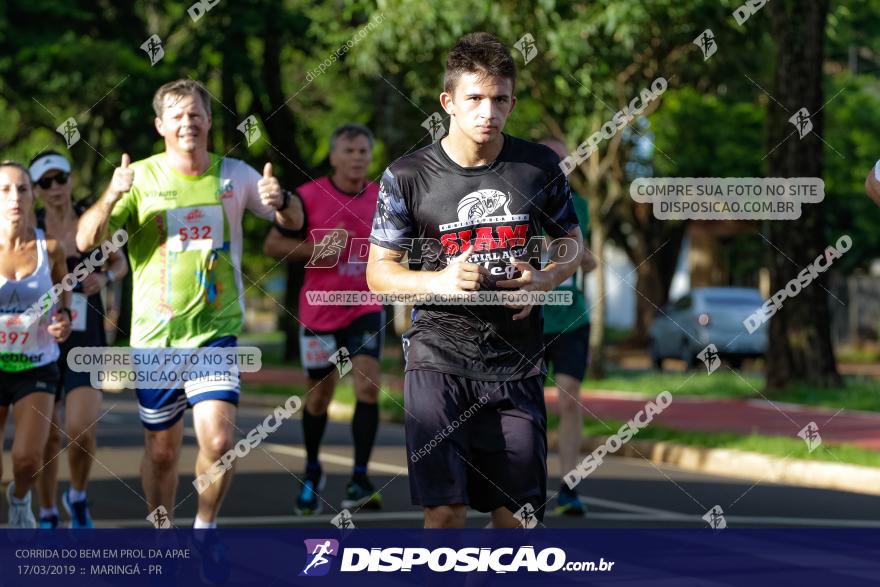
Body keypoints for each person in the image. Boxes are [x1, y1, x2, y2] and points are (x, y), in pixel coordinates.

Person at [366, 32, 583, 528]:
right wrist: (439, 280)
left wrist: (546, 278)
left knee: (519, 517)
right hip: (438, 356)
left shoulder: (538, 167)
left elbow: (573, 244)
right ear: (448, 102)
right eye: (475, 99)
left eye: (500, 99)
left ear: (512, 101)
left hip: (518, 361)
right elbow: (379, 274)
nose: (489, 111)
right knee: (445, 512)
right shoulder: (406, 175)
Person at [76, 79, 303, 532]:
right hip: (155, 339)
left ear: (209, 121)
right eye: (177, 116)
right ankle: (163, 534)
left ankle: (205, 530)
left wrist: (283, 201)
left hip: (216, 333)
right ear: (161, 125)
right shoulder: (140, 177)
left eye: (196, 114)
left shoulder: (234, 175)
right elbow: (85, 239)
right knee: (161, 452)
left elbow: (294, 221)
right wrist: (112, 195)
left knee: (219, 442)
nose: (188, 123)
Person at [263, 124, 385, 515]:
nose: (357, 158)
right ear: (333, 156)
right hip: (319, 309)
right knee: (320, 396)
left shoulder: (384, 198)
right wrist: (317, 248)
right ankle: (313, 469)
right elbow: (272, 245)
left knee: (368, 386)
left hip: (365, 306)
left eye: (363, 151)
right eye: (348, 151)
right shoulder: (307, 196)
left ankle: (360, 477)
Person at [27, 151, 129, 528]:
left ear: (70, 179)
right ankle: (49, 510)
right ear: (36, 191)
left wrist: (105, 279)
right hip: (43, 336)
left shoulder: (93, 216)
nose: (56, 188)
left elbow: (120, 262)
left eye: (61, 178)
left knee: (81, 429)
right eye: (46, 182)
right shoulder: (30, 227)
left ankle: (79, 495)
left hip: (86, 335)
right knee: (48, 438)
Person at [0, 160, 71, 528]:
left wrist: (63, 322)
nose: (14, 197)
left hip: (36, 363)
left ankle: (20, 499)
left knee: (27, 459)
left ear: (32, 196)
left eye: (22, 189)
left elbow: (65, 304)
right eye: (5, 190)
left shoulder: (51, 248)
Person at [538, 139, 597, 516]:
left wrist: (574, 252)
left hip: (572, 316)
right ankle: (522, 482)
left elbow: (589, 263)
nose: (558, 165)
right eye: (551, 160)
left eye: (563, 160)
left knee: (571, 395)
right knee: (526, 403)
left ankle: (569, 485)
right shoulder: (518, 203)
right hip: (530, 316)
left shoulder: (581, 207)